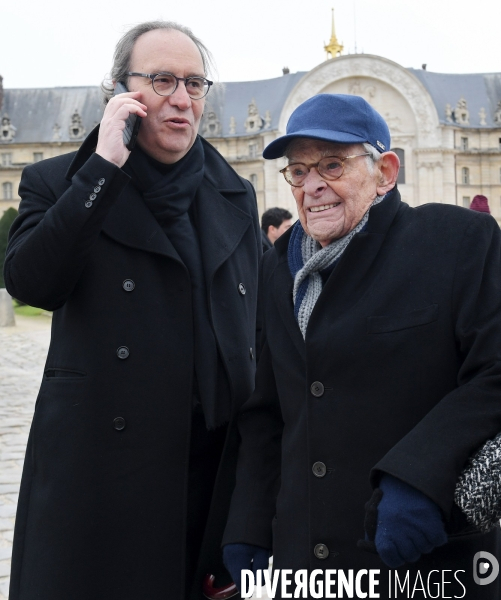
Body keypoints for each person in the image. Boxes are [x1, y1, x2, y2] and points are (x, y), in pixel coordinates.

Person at [4, 21, 261, 600]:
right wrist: (102, 168)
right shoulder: (61, 179)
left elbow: (257, 331)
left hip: (208, 479)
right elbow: (31, 282)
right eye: (162, 79)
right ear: (121, 92)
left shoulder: (232, 192)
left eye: (194, 83)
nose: (181, 98)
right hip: (99, 480)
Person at [222, 94, 501, 598]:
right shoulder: (276, 265)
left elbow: (495, 371)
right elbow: (267, 412)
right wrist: (247, 528)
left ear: (385, 172)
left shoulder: (457, 242)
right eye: (299, 171)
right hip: (303, 563)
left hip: (422, 559)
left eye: (333, 164)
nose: (313, 186)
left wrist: (417, 477)